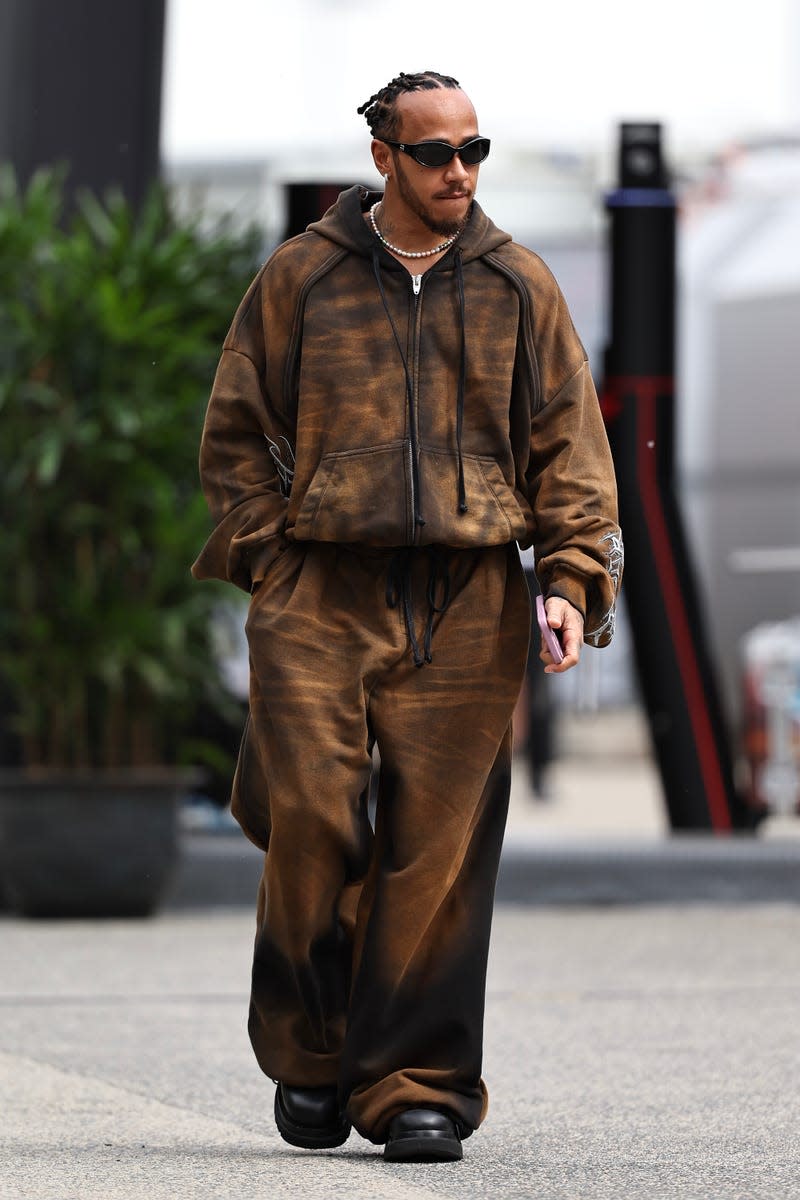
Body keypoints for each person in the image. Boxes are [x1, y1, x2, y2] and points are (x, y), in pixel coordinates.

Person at [192, 70, 623, 1163]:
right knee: (310, 820)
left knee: (437, 852)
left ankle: (413, 1084)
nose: (457, 173)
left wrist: (567, 585)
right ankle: (311, 1046)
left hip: (470, 600)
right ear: (382, 157)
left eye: (473, 151)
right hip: (319, 594)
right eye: (435, 153)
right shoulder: (300, 279)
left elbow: (571, 453)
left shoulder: (519, 285)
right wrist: (270, 556)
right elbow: (234, 436)